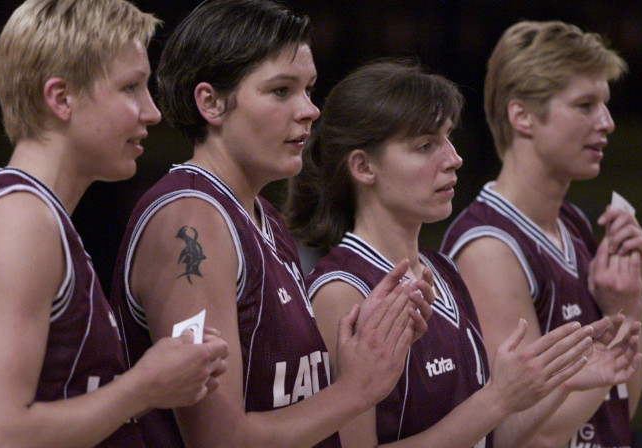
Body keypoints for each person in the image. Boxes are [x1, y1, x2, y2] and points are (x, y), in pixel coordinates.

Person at [110, 1, 433, 447]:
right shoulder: (191, 220)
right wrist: (355, 390)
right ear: (211, 102)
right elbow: (219, 440)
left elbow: (290, 397)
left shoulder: (264, 218)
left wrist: (375, 339)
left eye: (309, 89)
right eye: (281, 91)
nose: (309, 110)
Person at [285, 60, 642, 448]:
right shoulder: (342, 290)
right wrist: (496, 400)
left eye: (448, 138)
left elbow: (492, 439)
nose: (453, 158)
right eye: (425, 146)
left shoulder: (443, 270)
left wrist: (557, 382)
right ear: (364, 166)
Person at [0, 1, 229, 446]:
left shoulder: (30, 214)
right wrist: (145, 386)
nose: (152, 112)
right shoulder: (20, 221)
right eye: (131, 87)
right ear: (61, 98)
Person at [441, 21, 642, 447]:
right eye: (585, 105)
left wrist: (627, 309)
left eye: (605, 104)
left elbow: (618, 407)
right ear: (521, 116)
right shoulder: (489, 247)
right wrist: (625, 320)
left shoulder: (572, 224)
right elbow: (528, 433)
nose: (607, 122)